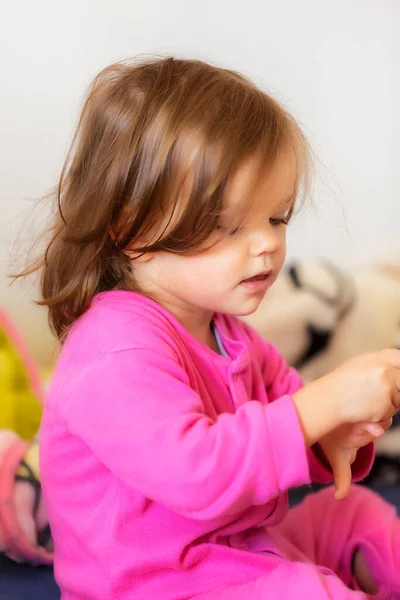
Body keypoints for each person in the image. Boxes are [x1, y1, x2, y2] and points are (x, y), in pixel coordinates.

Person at [22, 57, 400, 599]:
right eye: (229, 226)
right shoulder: (112, 351)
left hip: (238, 547)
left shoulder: (228, 332)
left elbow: (288, 417)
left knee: (356, 513)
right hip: (160, 583)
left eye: (277, 217)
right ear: (131, 229)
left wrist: (336, 432)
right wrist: (326, 404)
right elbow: (198, 474)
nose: (267, 243)